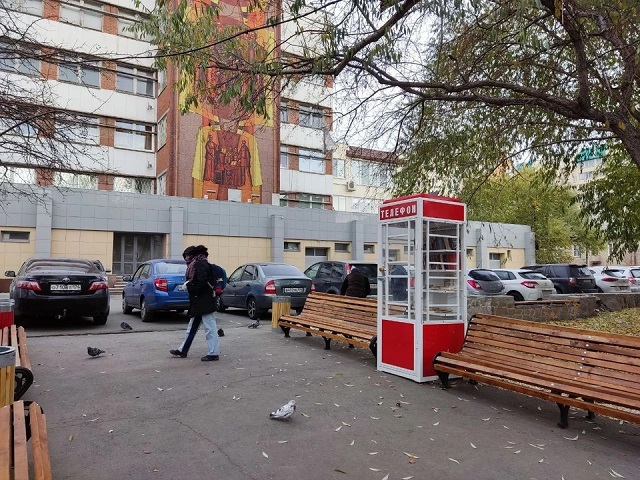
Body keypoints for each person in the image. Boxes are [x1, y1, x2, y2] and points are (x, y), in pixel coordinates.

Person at [170, 245, 220, 361]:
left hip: (204, 301)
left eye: (187, 256)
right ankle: (183, 350)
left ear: (192, 255)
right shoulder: (198, 264)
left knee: (210, 327)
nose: (186, 258)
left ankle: (213, 353)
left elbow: (201, 283)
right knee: (192, 327)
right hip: (201, 301)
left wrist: (189, 286)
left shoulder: (200, 264)